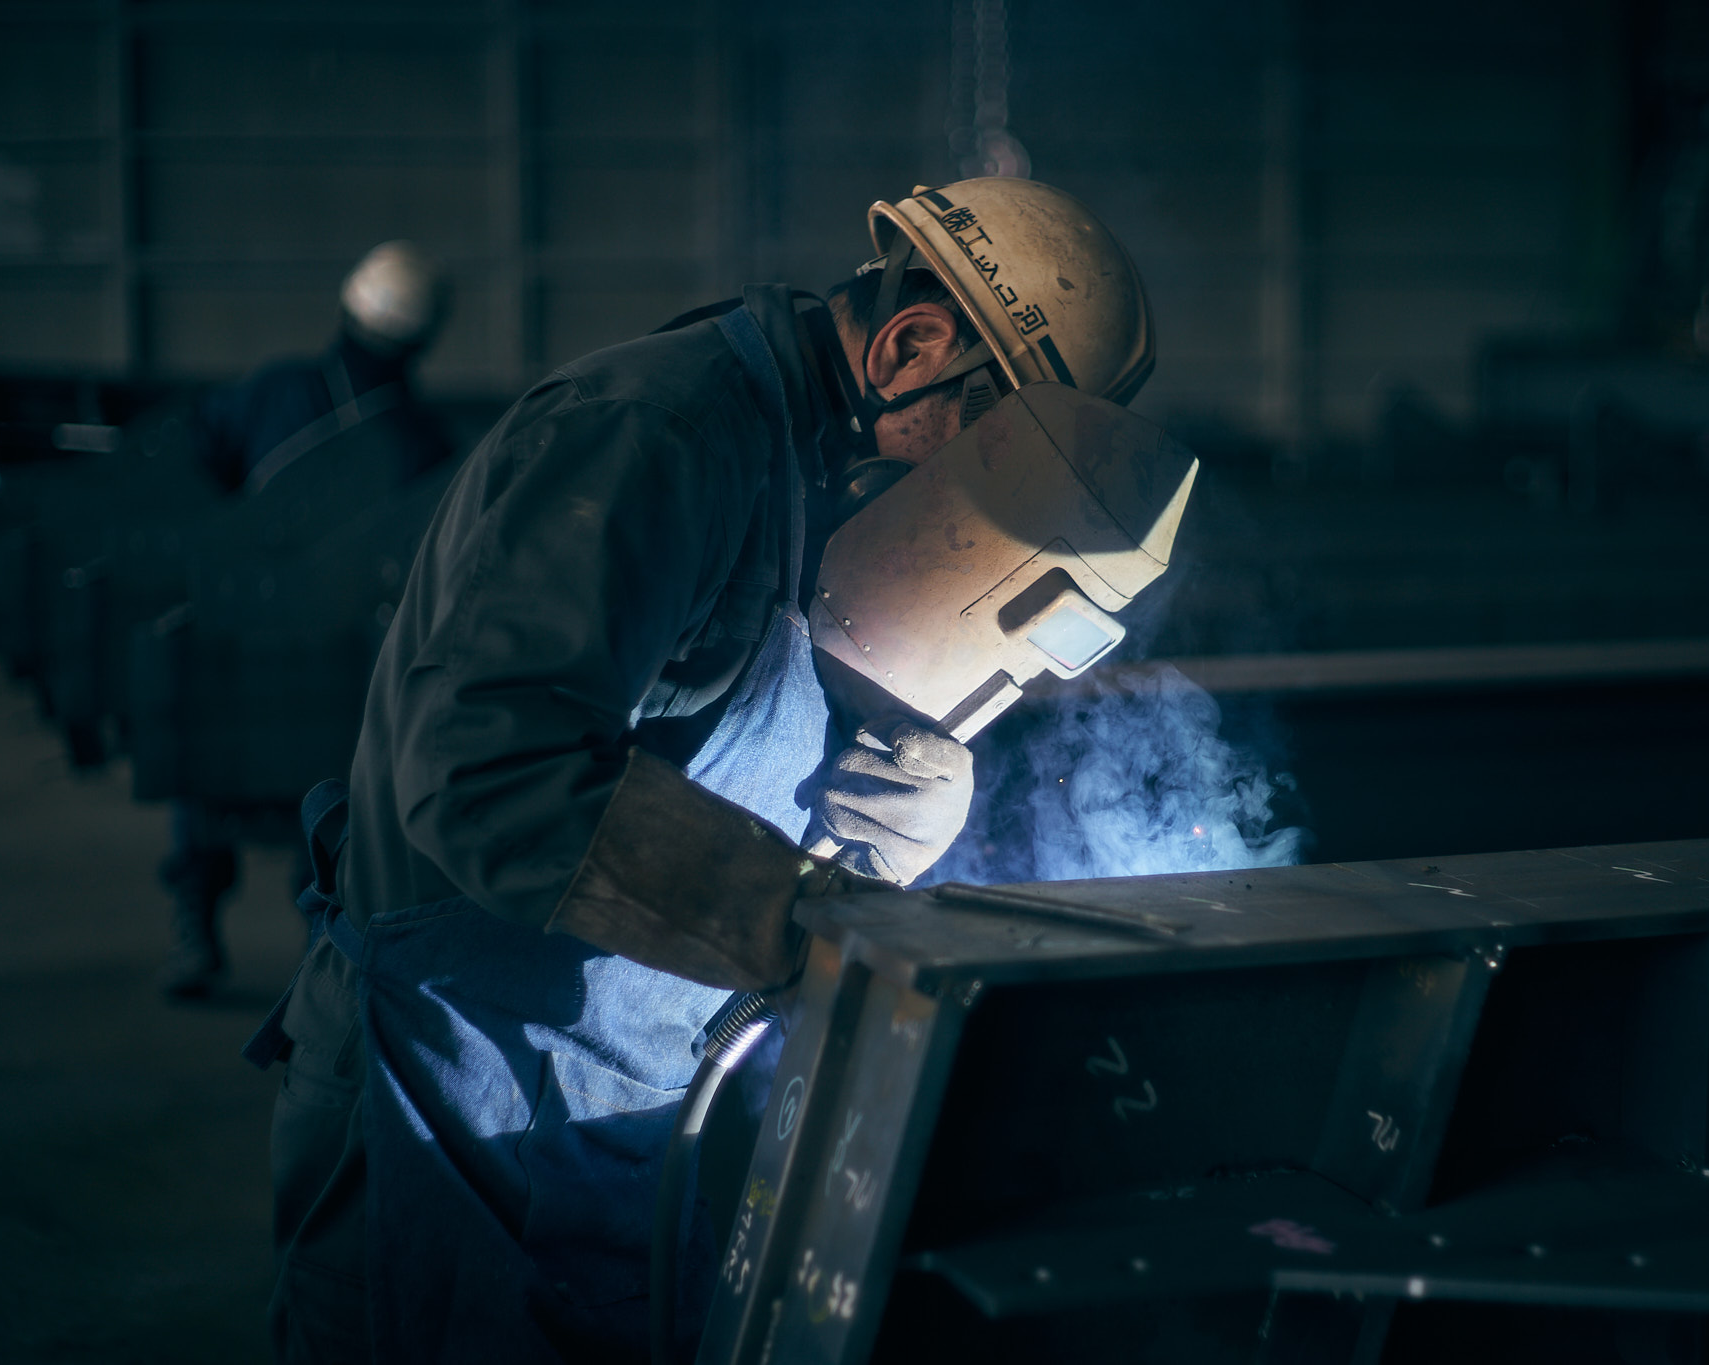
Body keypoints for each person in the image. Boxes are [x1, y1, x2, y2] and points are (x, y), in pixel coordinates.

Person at [248, 178, 1157, 1362]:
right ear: (911, 345)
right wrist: (804, 917)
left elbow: (703, 714)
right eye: (992, 450)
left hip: (603, 1096)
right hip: (450, 1083)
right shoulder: (655, 434)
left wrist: (907, 785)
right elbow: (484, 773)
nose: (979, 498)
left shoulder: (817, 457)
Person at [160, 241, 451, 999]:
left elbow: (196, 467)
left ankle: (195, 930)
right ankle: (316, 956)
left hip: (239, 634)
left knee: (202, 770)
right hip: (336, 655)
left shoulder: (274, 389)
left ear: (348, 305)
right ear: (425, 334)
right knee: (327, 793)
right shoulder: (420, 438)